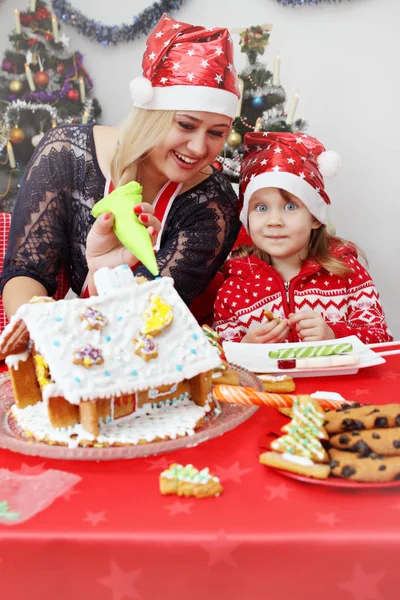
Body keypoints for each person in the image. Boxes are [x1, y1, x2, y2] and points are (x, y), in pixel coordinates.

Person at [0, 13, 241, 324]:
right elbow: (26, 270)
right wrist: (41, 333)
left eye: (216, 132)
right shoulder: (66, 153)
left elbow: (146, 316)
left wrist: (101, 271)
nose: (198, 147)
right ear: (150, 114)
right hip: (64, 337)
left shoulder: (214, 203)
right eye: (185, 124)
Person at [214, 131, 392, 344]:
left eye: (290, 206)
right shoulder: (235, 289)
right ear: (248, 219)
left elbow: (381, 339)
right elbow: (218, 361)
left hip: (335, 379)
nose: (274, 221)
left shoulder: (347, 273)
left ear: (315, 217)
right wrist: (246, 346)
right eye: (261, 207)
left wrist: (334, 335)